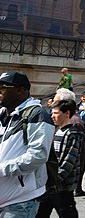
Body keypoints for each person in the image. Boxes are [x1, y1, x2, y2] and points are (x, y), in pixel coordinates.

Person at [0, 71, 56, 216]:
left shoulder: (37, 115)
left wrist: (2, 169)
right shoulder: (2, 115)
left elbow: (38, 155)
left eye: (3, 87)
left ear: (20, 90)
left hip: (20, 202)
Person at [36, 99, 83, 218]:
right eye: (52, 113)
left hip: (62, 188)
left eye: (56, 113)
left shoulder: (72, 134)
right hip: (50, 186)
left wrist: (53, 180)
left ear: (67, 113)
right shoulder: (57, 131)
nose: (52, 116)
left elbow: (68, 162)